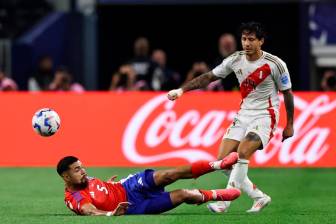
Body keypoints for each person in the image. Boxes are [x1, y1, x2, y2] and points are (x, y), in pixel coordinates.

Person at [167, 22, 294, 213]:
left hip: (265, 116)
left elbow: (288, 93)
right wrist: (182, 90)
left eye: (252, 39)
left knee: (242, 153)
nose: (247, 43)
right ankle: (259, 197)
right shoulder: (235, 59)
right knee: (223, 161)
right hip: (243, 114)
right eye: (244, 39)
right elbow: (209, 77)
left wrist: (289, 124)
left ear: (261, 41)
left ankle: (224, 202)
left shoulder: (275, 64)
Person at [57, 153, 240, 216]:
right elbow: (89, 210)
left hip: (128, 186)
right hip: (133, 207)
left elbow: (100, 190)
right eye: (77, 170)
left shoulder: (84, 181)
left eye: (82, 167)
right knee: (183, 194)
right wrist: (111, 213)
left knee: (169, 174)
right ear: (66, 176)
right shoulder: (75, 197)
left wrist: (110, 185)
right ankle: (218, 195)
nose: (83, 172)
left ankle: (219, 164)